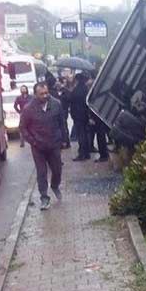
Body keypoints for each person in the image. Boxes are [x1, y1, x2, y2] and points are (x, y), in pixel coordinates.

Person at [19, 82, 66, 210]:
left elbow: (62, 123)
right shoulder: (28, 109)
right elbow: (22, 128)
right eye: (42, 94)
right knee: (41, 172)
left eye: (46, 93)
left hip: (54, 144)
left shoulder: (56, 104)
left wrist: (64, 140)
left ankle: (55, 185)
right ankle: (44, 197)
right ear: (35, 94)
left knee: (57, 170)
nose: (45, 95)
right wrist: (33, 141)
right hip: (38, 147)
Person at [69, 73, 92, 161]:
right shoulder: (85, 89)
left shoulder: (77, 89)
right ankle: (86, 153)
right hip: (84, 114)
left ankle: (82, 153)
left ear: (77, 80)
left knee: (81, 135)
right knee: (84, 134)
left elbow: (71, 99)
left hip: (78, 115)